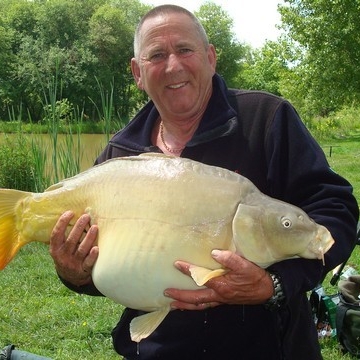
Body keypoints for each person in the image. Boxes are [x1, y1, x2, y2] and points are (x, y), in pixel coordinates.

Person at [49, 5, 359, 360]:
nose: (173, 66)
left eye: (185, 50)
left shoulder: (267, 119)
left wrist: (274, 284)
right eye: (156, 55)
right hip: (160, 349)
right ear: (137, 72)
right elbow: (108, 269)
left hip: (268, 348)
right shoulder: (120, 155)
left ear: (210, 58)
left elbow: (335, 211)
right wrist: (74, 273)